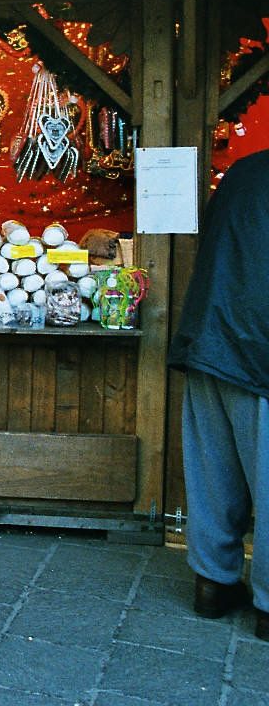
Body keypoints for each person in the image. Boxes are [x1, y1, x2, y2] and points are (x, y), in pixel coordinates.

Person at [169, 149, 269, 639]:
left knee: (213, 473)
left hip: (209, 336)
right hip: (259, 349)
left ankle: (212, 584)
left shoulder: (245, 171)